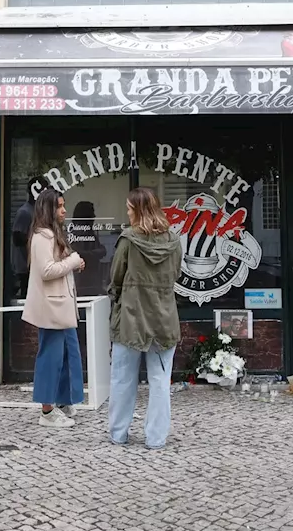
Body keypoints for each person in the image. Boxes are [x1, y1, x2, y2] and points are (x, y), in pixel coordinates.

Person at [107, 186, 182, 450]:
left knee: (122, 379)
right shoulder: (173, 241)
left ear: (137, 211)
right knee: (160, 382)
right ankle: (156, 438)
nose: (127, 214)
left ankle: (118, 433)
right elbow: (176, 275)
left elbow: (116, 278)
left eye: (129, 209)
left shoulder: (128, 240)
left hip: (130, 318)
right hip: (164, 318)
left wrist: (118, 298)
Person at [21, 188, 86, 428]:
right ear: (49, 209)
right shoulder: (42, 236)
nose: (64, 210)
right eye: (60, 206)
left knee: (67, 354)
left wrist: (73, 262)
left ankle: (61, 401)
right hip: (51, 308)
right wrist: (72, 261)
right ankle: (47, 410)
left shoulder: (51, 234)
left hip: (60, 305)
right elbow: (47, 271)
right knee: (51, 357)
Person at [10, 178, 40, 301]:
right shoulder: (25, 212)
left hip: (34, 266)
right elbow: (17, 237)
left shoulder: (36, 211)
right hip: (25, 268)